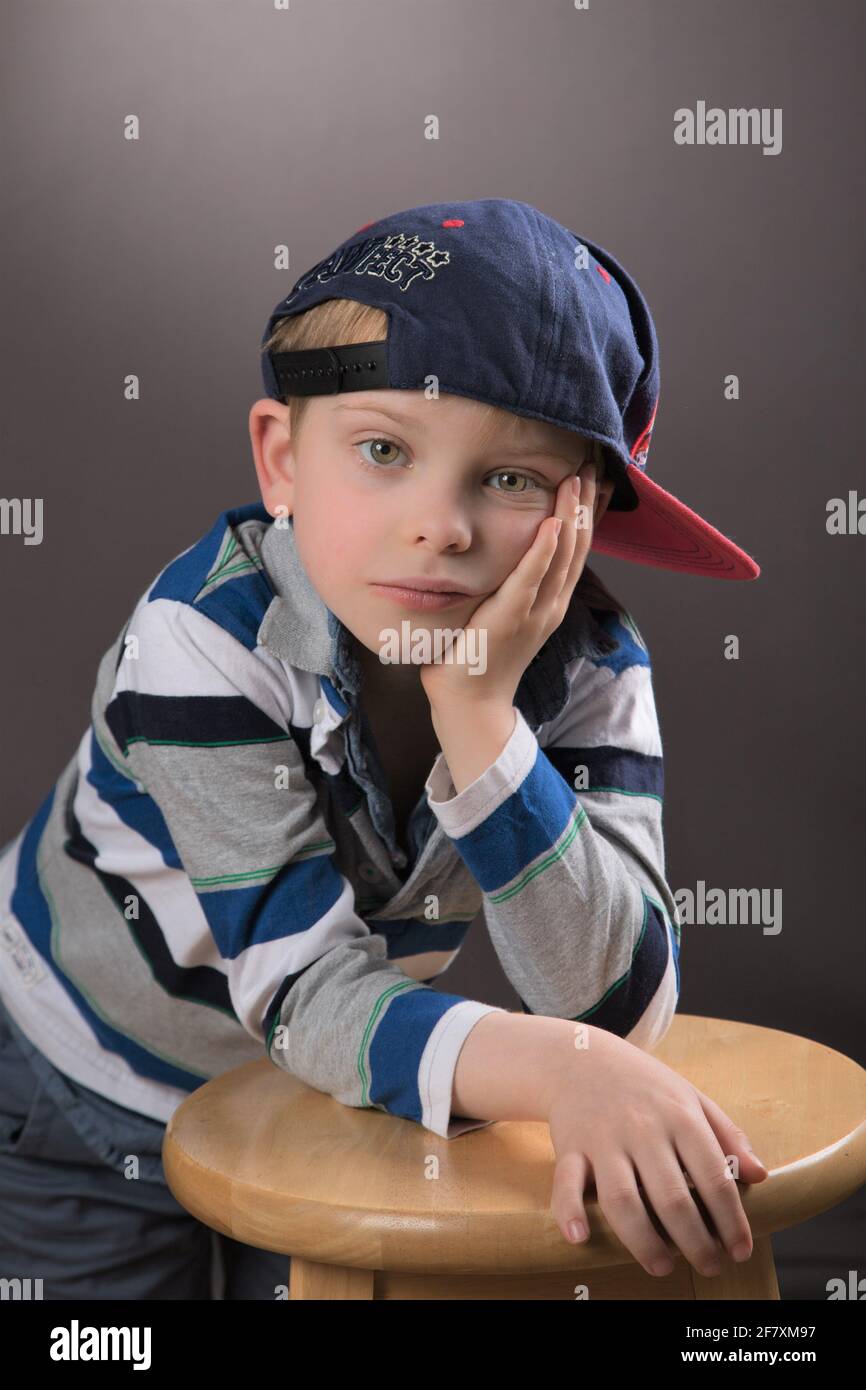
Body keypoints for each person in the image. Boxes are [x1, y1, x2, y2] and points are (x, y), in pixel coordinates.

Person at [0, 197, 765, 1298]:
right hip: (90, 1071)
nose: (439, 524)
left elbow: (619, 1011)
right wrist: (557, 1071)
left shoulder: (593, 664)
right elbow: (307, 992)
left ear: (586, 510)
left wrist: (483, 725)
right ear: (282, 459)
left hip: (325, 1091)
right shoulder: (202, 644)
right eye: (379, 449)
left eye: (510, 479)